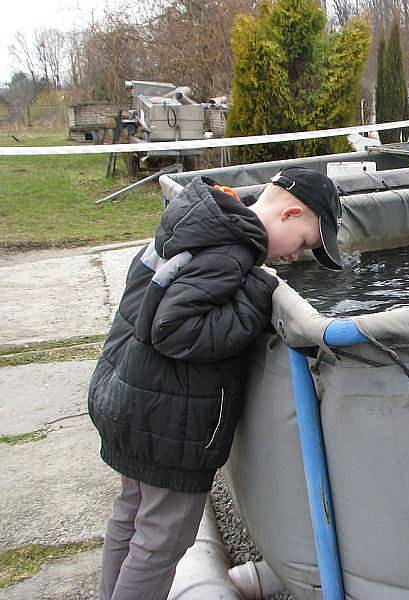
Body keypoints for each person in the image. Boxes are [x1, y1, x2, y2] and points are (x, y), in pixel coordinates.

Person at [88, 167, 343, 600]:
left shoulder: (201, 225)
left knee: (131, 518)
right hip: (170, 422)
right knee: (161, 540)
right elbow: (174, 328)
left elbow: (149, 311)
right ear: (290, 212)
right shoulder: (231, 252)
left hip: (130, 394)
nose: (293, 257)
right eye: (303, 243)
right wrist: (258, 295)